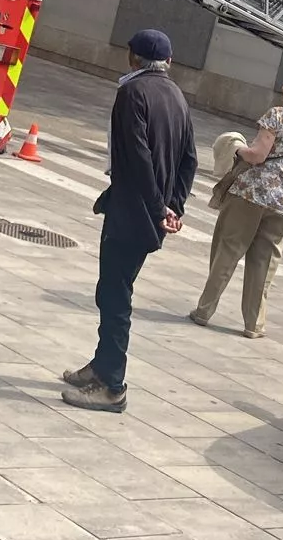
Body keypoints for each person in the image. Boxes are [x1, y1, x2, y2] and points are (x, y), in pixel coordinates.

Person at [62, 29, 197, 413]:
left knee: (116, 295)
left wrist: (158, 207)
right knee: (112, 290)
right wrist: (174, 206)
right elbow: (189, 159)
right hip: (149, 213)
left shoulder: (132, 93)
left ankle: (112, 386)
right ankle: (100, 365)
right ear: (168, 62)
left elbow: (136, 157)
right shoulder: (177, 96)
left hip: (132, 210)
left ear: (133, 58)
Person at [189, 66, 283, 339]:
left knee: (228, 250)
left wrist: (237, 148)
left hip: (251, 193)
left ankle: (204, 310)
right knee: (264, 260)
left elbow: (257, 155)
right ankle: (254, 324)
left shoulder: (277, 115)